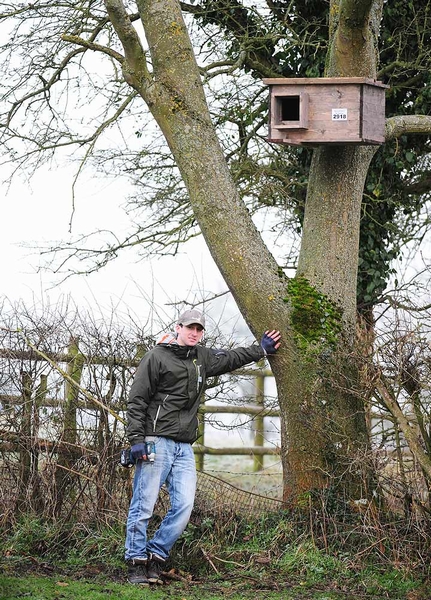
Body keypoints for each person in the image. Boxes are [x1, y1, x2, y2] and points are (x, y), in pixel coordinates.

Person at [124, 308, 281, 585]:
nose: (194, 333)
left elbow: (231, 358)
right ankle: (136, 562)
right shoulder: (156, 357)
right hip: (155, 441)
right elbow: (137, 401)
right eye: (190, 328)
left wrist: (261, 350)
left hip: (184, 447)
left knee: (184, 506)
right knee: (143, 505)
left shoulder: (201, 358)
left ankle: (156, 556)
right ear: (178, 328)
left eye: (199, 329)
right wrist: (137, 441)